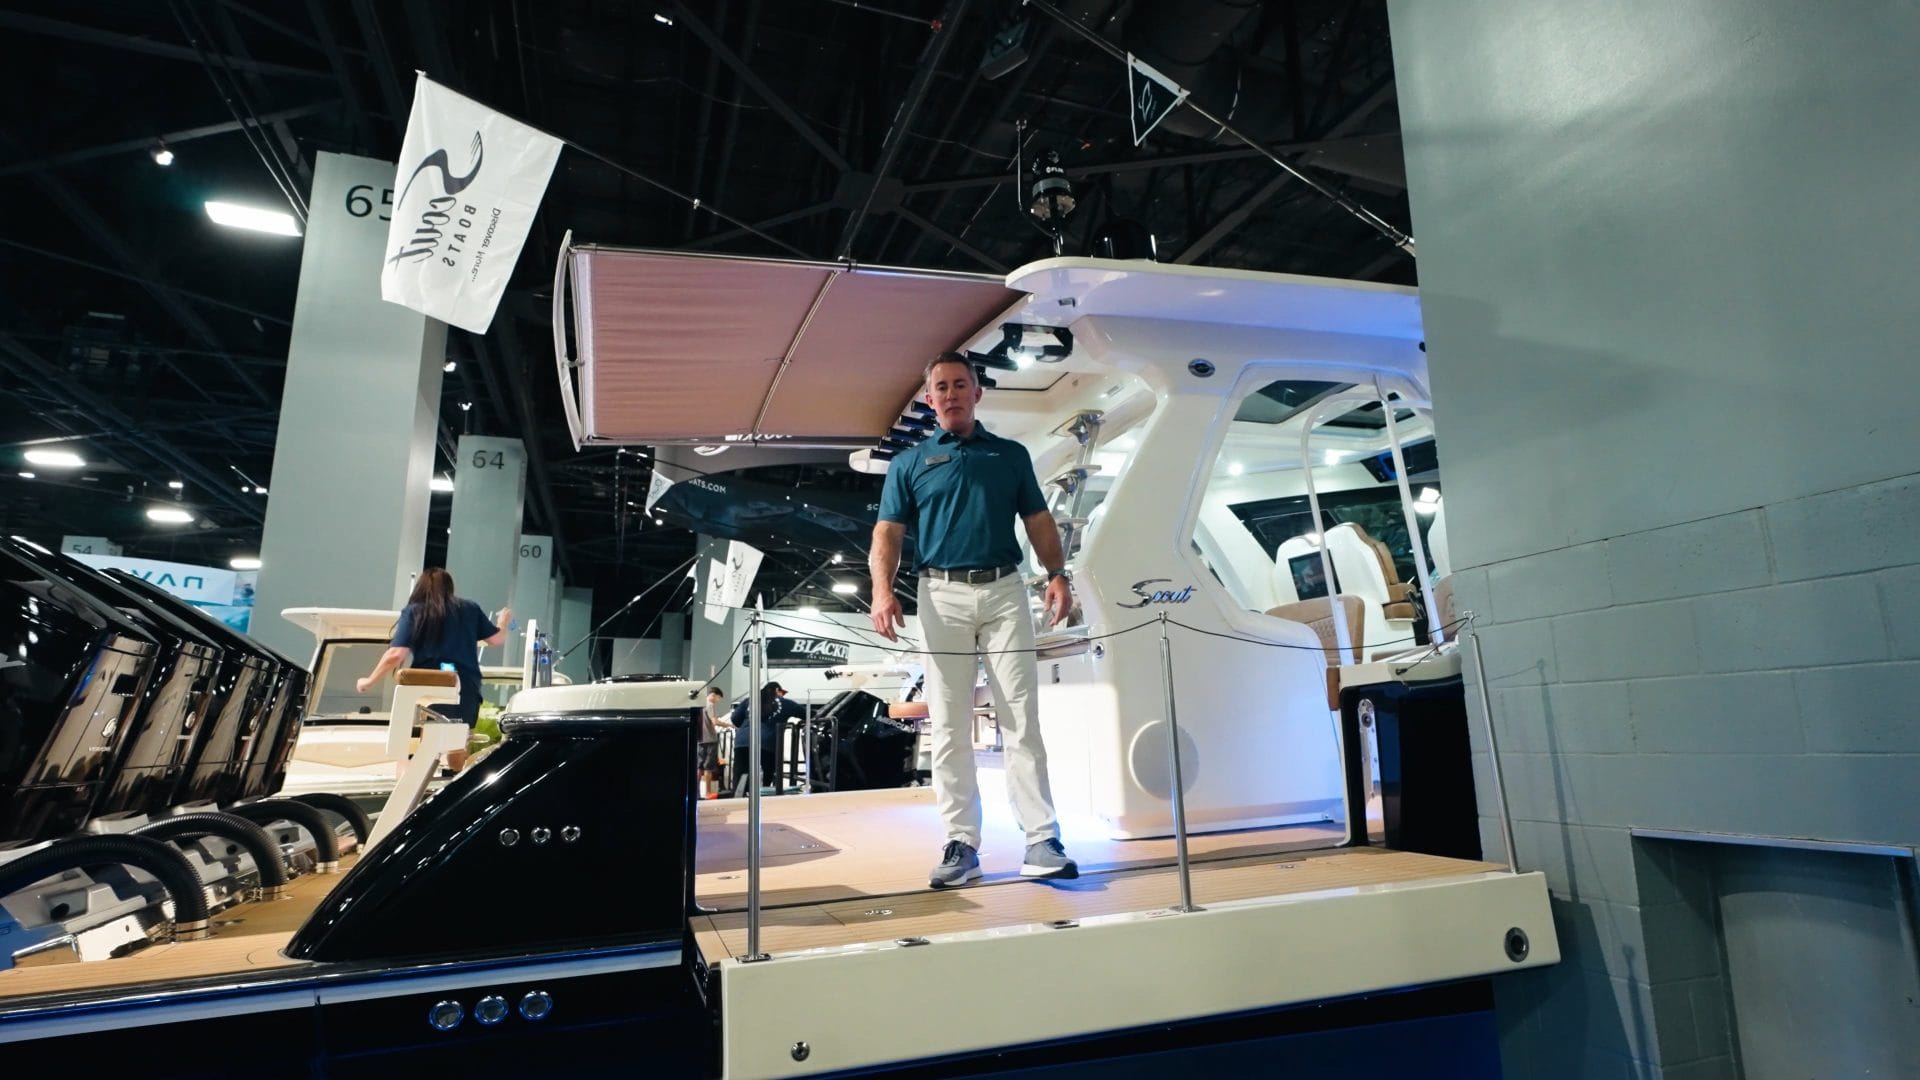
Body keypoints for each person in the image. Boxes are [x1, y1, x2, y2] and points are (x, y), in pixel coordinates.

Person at [870, 353, 1078, 888]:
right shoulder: (909, 463)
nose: (951, 393)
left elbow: (1037, 517)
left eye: (960, 384)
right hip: (940, 596)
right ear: (930, 399)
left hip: (1006, 591)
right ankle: (961, 842)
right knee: (948, 724)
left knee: (1021, 718)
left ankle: (1041, 839)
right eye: (941, 387)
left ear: (977, 393)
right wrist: (881, 591)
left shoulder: (1009, 455)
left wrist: (1057, 574)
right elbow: (888, 532)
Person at [356, 568, 508, 738]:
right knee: (458, 740)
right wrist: (503, 623)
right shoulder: (470, 609)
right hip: (465, 689)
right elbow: (497, 640)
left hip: (427, 688)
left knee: (421, 739)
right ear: (450, 587)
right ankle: (456, 756)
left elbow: (396, 654)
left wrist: (369, 681)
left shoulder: (415, 611)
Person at [730, 680, 804, 796]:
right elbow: (806, 714)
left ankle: (739, 798)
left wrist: (747, 727)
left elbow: (735, 718)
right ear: (777, 690)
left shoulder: (750, 700)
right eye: (782, 693)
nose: (783, 695)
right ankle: (763, 796)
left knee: (740, 775)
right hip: (767, 743)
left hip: (743, 741)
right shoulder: (786, 703)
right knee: (767, 774)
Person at [699, 686, 732, 799]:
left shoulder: (699, 705)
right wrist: (729, 725)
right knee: (708, 767)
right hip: (710, 739)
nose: (718, 701)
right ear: (714, 695)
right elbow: (715, 722)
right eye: (718, 698)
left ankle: (697, 792)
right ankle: (708, 793)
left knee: (699, 767)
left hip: (699, 739)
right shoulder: (710, 705)